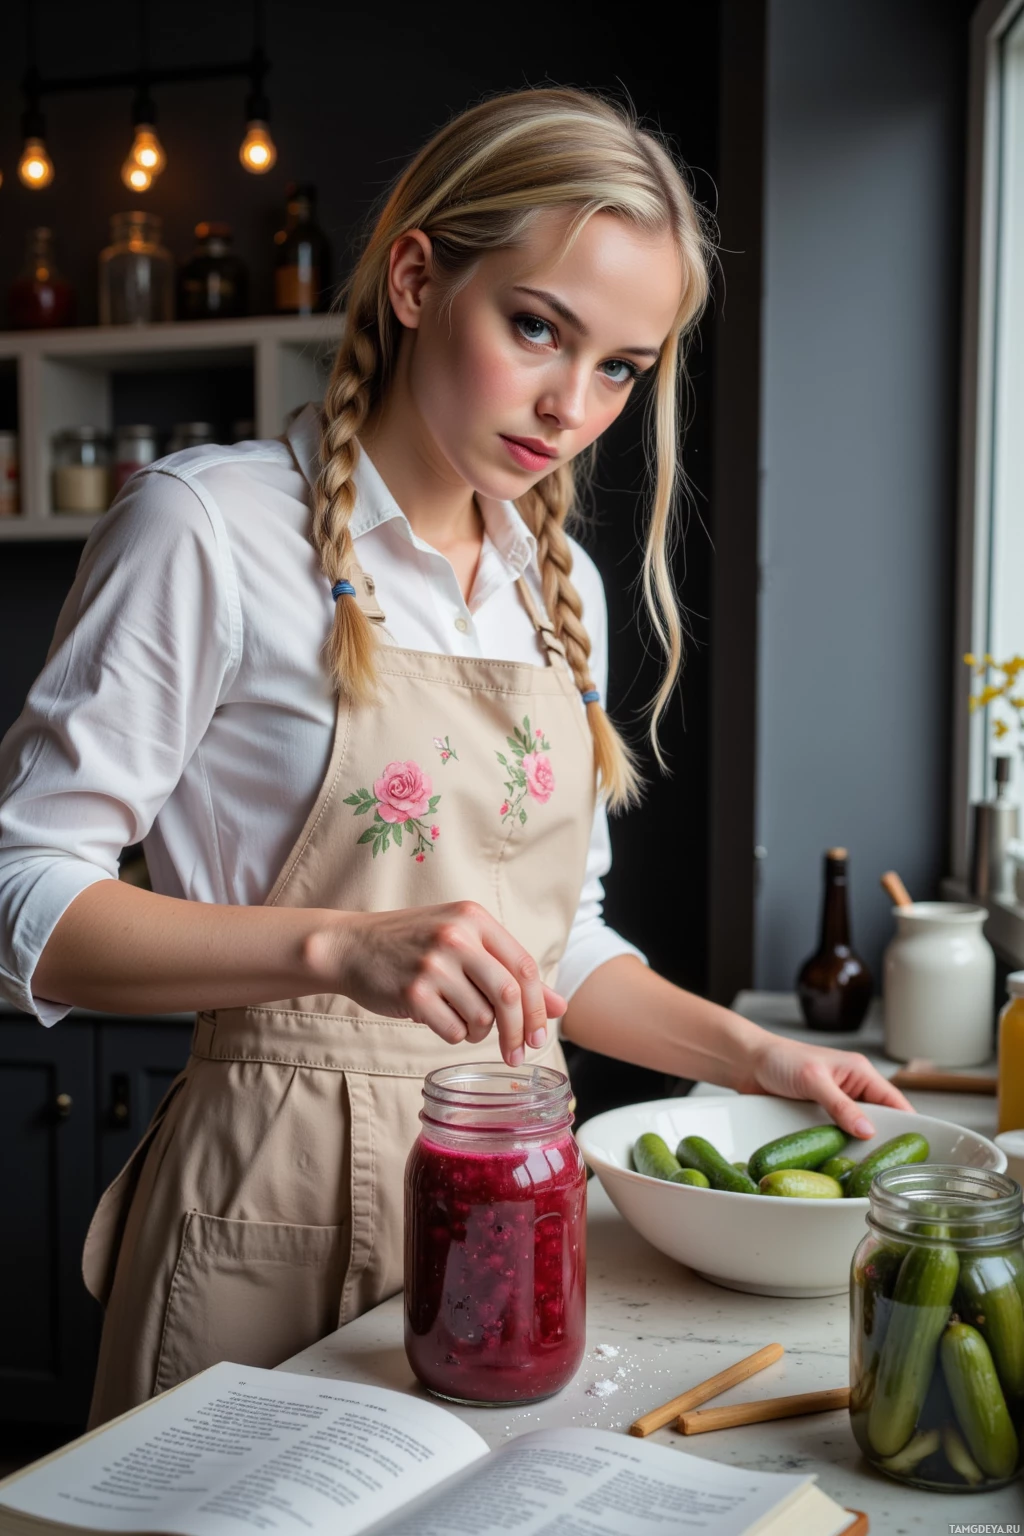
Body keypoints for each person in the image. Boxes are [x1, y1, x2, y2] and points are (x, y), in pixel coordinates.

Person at [0, 86, 911, 1428]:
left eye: (620, 367)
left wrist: (755, 1060)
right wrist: (336, 949)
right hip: (273, 1202)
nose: (571, 404)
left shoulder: (566, 591)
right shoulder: (207, 529)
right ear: (420, 278)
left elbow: (554, 948)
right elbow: (23, 894)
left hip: (515, 1202)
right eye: (536, 327)